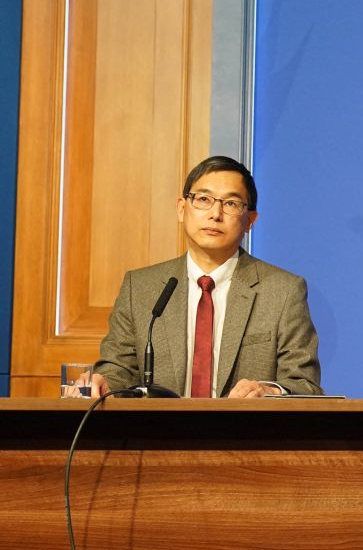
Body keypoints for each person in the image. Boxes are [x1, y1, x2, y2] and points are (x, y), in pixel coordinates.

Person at [89, 156, 322, 398]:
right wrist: (101, 382)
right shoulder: (140, 288)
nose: (215, 214)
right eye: (203, 199)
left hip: (244, 431)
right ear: (182, 209)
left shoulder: (282, 291)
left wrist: (269, 390)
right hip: (158, 432)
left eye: (231, 204)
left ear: (250, 221)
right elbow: (118, 370)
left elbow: (304, 384)